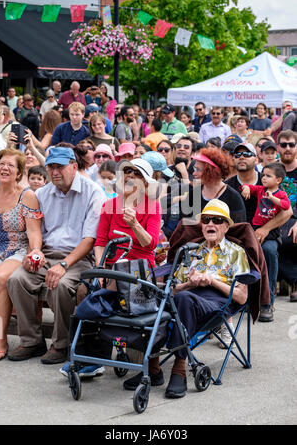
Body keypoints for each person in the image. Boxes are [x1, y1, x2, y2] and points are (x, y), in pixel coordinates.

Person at [123, 200, 250, 398]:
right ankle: (153, 367)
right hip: (186, 297)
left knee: (182, 300)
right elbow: (173, 289)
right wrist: (189, 284)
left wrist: (211, 281)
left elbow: (242, 297)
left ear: (226, 226)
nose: (210, 224)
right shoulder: (191, 250)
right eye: (206, 220)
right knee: (158, 299)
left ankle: (179, 368)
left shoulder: (236, 253)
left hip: (218, 301)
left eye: (217, 220)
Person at [7, 147, 107, 364]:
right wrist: (33, 252)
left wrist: (63, 264)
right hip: (46, 253)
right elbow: (35, 231)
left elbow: (89, 239)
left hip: (78, 257)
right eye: (50, 167)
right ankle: (31, 341)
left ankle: (61, 345)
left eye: (60, 167)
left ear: (73, 166)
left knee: (60, 285)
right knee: (17, 280)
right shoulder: (42, 193)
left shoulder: (93, 192)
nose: (54, 172)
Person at [226, 142, 292, 321]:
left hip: (265, 233)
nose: (241, 157)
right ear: (233, 158)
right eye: (237, 154)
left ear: (256, 159)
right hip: (236, 234)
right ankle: (232, 300)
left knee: (269, 251)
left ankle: (266, 303)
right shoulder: (228, 185)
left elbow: (287, 211)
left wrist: (265, 229)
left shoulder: (267, 181)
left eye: (246, 154)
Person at [0, 148, 43, 360]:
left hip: (17, 248)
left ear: (18, 173)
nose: (4, 168)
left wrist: (35, 251)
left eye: (10, 165)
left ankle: (0, 338)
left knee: (0, 279)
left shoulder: (27, 195)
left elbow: (34, 231)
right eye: (1, 163)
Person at [94, 158, 161, 269]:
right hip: (111, 267)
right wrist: (100, 271)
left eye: (137, 173)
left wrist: (135, 225)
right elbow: (100, 243)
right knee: (84, 285)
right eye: (127, 170)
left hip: (139, 269)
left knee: (115, 284)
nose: (130, 175)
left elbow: (150, 245)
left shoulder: (153, 206)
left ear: (145, 183)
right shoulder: (109, 205)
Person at [276, 130, 297, 301]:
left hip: (295, 218)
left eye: (291, 144)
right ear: (278, 147)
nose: (287, 148)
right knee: (273, 239)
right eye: (283, 145)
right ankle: (288, 279)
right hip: (276, 218)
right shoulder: (271, 170)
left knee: (291, 238)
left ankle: (288, 280)